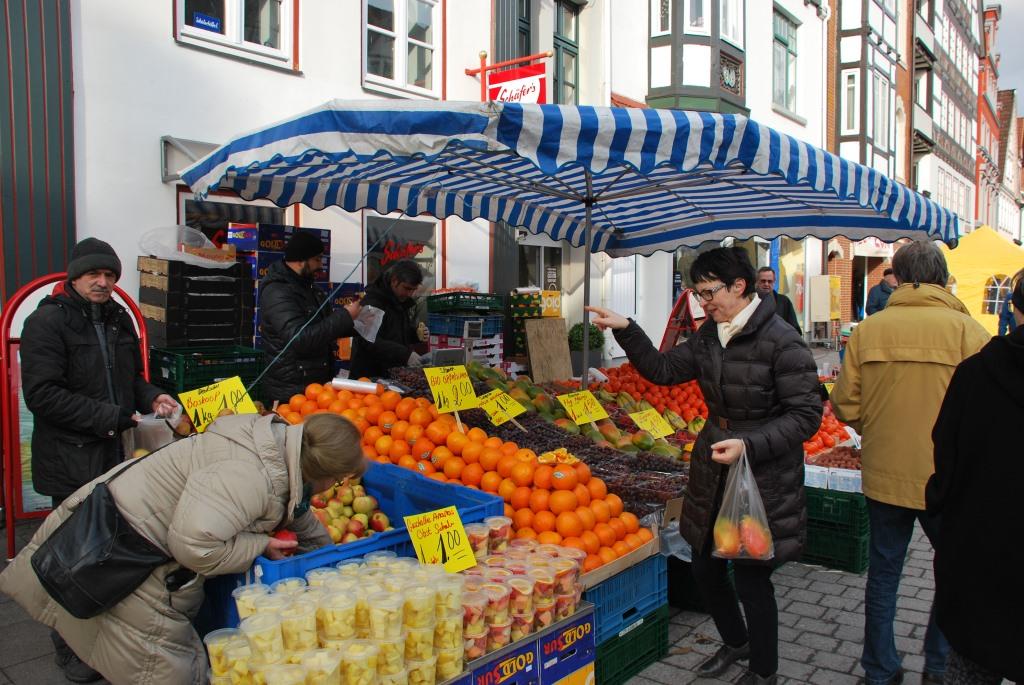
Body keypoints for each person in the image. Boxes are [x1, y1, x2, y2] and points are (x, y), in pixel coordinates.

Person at [587, 246, 821, 685]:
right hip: (713, 464)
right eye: (698, 293)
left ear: (739, 286)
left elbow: (806, 416)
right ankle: (736, 641)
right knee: (704, 566)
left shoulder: (783, 341)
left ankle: (764, 670)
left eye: (710, 292)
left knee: (751, 578)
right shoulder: (710, 335)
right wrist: (627, 330)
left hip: (762, 472)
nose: (703, 302)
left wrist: (748, 444)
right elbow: (663, 370)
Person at [0, 412, 365, 684]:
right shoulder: (251, 476)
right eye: (339, 481)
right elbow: (194, 547)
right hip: (126, 550)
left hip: (121, 530)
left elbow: (295, 510)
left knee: (108, 631)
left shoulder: (276, 449)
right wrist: (260, 544)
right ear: (324, 473)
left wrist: (330, 562)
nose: (337, 488)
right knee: (171, 671)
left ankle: (81, 651)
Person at [19, 237, 179, 682]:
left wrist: (153, 396)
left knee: (109, 554)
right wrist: (112, 416)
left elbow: (130, 380)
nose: (103, 282)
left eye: (110, 275)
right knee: (70, 559)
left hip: (114, 453)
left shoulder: (118, 318)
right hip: (71, 460)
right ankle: (69, 648)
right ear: (75, 277)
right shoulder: (47, 322)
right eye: (94, 274)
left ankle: (106, 639)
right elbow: (42, 395)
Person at [830, 241, 990, 685]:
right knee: (952, 573)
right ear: (942, 276)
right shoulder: (969, 332)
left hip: (884, 472)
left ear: (897, 276)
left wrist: (876, 424)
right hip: (947, 478)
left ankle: (880, 669)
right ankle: (938, 664)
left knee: (883, 574)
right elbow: (984, 410)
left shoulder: (869, 330)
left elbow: (844, 404)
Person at [924, 268, 1023, 684]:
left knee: (971, 665)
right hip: (982, 552)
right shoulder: (973, 354)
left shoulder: (976, 372)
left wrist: (942, 509)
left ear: (1015, 308)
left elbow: (945, 454)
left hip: (981, 552)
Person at [258, 230, 361, 405]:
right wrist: (344, 316)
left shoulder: (312, 289)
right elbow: (299, 338)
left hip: (314, 386)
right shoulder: (277, 291)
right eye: (317, 259)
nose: (321, 266)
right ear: (300, 260)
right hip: (291, 391)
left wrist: (357, 322)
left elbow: (325, 328)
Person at [349, 259, 429, 379]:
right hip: (369, 377)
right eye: (407, 288)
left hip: (391, 375)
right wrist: (405, 354)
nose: (410, 294)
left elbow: (395, 332)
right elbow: (367, 341)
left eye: (413, 289)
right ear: (394, 281)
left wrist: (415, 334)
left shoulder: (400, 301)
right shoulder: (373, 302)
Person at [754, 266, 801, 334]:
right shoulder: (749, 301)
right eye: (763, 281)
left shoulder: (784, 302)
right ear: (757, 282)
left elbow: (794, 328)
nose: (766, 284)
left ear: (774, 282)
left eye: (769, 281)